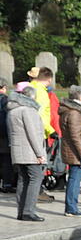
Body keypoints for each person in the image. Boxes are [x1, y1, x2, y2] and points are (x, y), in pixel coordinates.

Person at [7, 84, 46, 221]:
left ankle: (21, 211)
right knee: (36, 178)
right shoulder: (28, 110)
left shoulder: (12, 110)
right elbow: (33, 133)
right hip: (30, 152)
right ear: (32, 97)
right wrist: (40, 153)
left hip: (18, 151)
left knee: (23, 180)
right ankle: (29, 211)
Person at [59, 85, 81, 217]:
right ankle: (71, 208)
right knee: (74, 180)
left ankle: (71, 207)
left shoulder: (69, 111)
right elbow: (75, 136)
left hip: (72, 151)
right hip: (75, 152)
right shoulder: (74, 113)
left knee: (74, 179)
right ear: (79, 97)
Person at [27, 67, 57, 202]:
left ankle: (32, 195)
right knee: (39, 165)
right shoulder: (41, 92)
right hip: (40, 131)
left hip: (30, 131)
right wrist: (51, 131)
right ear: (49, 79)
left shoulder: (30, 87)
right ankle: (36, 194)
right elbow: (41, 115)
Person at [0, 77, 16, 193]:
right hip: (4, 134)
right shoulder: (5, 100)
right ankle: (7, 184)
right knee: (6, 161)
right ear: (4, 88)